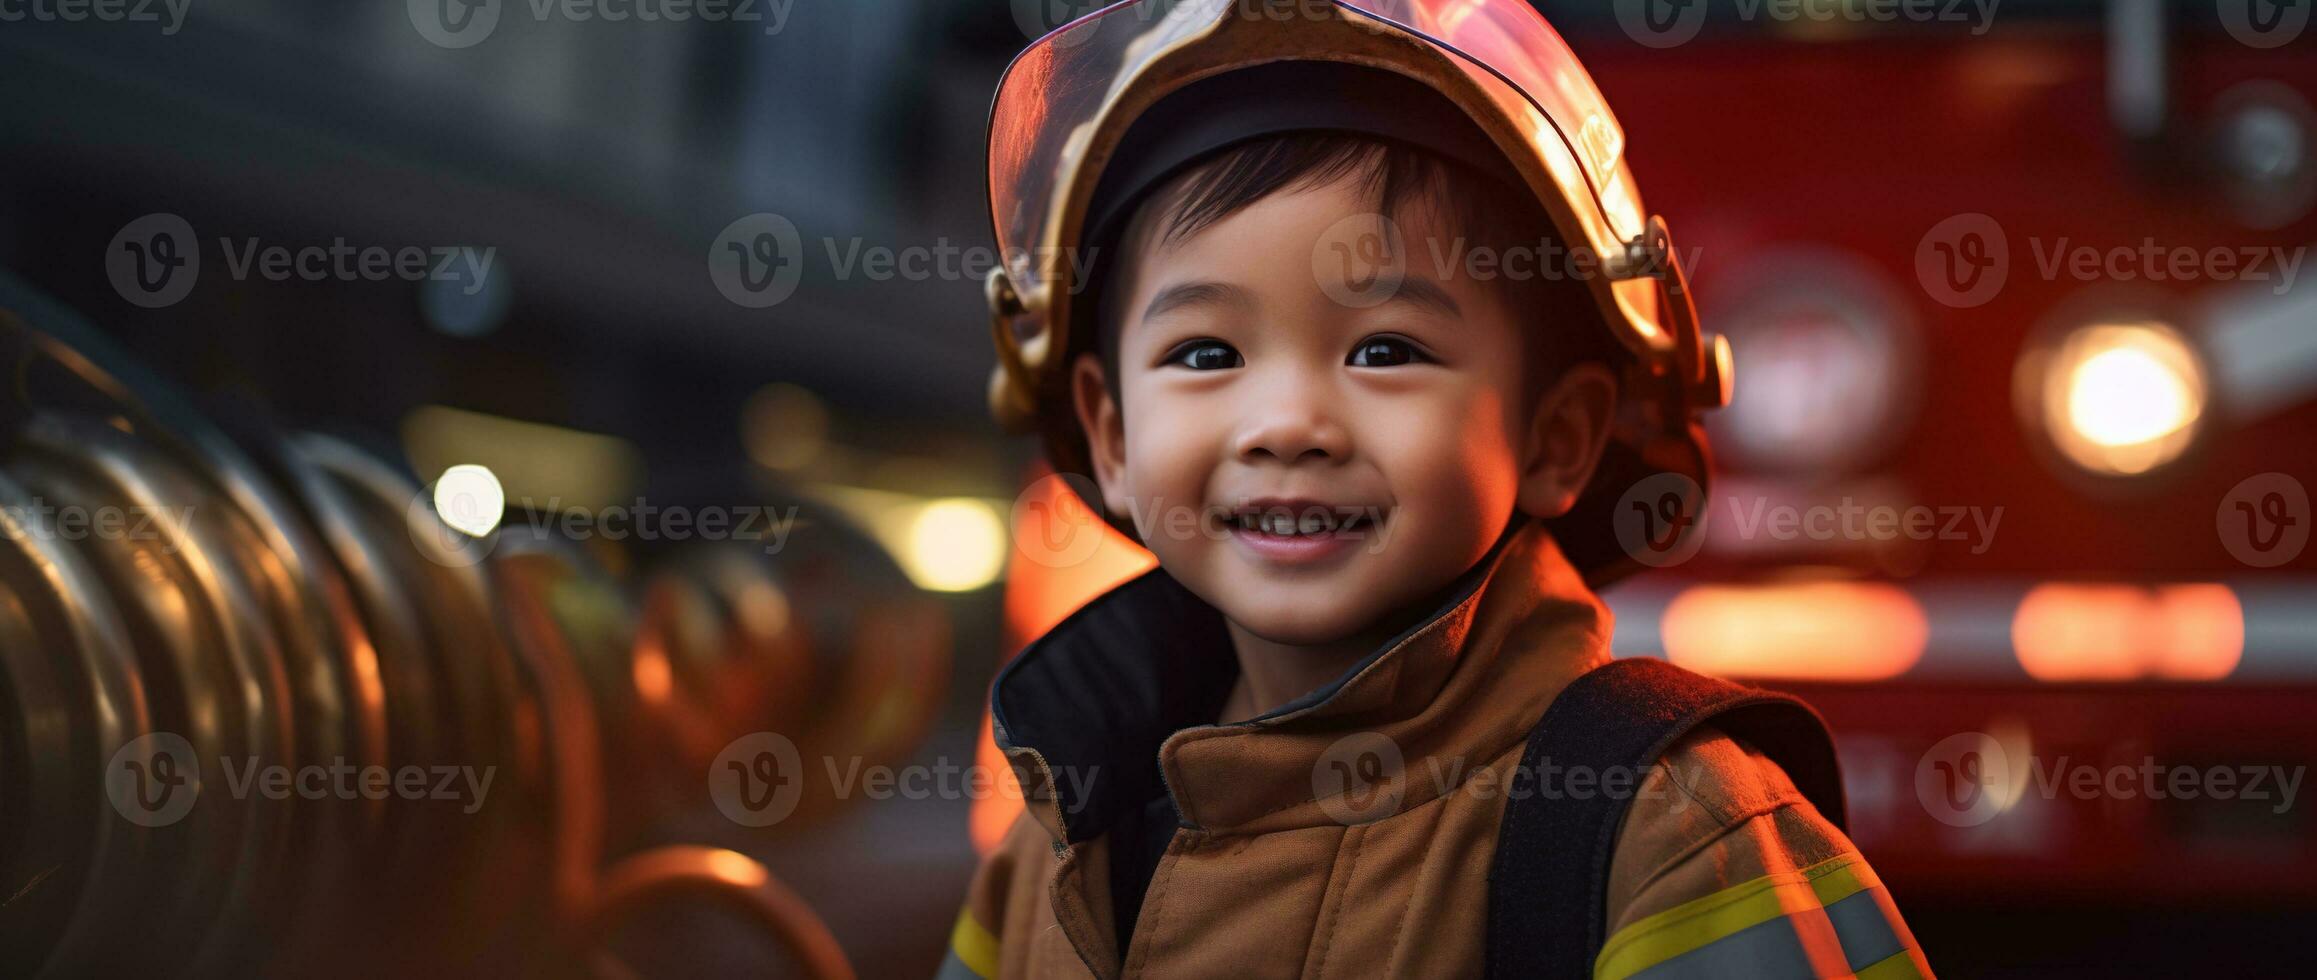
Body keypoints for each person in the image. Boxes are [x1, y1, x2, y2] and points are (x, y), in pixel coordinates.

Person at [943, 2, 1932, 977]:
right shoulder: (1059, 840)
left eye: (1385, 349)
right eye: (1206, 351)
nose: (1287, 423)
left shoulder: (1674, 839)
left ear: (1555, 436)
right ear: (1110, 434)